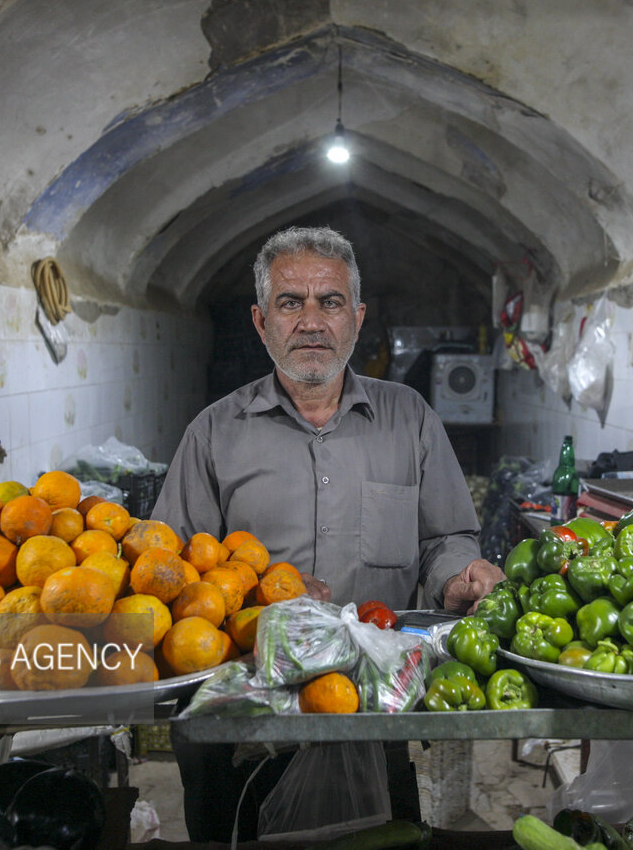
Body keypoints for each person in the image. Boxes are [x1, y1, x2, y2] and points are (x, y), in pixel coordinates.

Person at [152, 225, 506, 841]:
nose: (311, 321)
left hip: (371, 711)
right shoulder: (214, 433)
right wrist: (264, 590)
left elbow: (445, 537)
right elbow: (171, 573)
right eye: (291, 303)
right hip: (248, 718)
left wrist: (459, 574)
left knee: (383, 839)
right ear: (261, 322)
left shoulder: (410, 420)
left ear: (357, 319)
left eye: (331, 302)